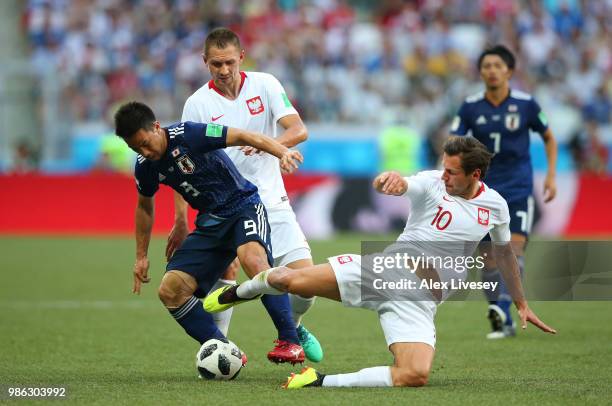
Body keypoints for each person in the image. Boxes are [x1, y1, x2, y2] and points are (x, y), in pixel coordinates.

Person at [204, 136, 556, 388]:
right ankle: (241, 291)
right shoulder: (432, 184)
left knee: (414, 375)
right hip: (386, 272)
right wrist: (392, 181)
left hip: (419, 303)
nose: (444, 176)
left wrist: (521, 302)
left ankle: (317, 381)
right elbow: (406, 184)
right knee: (288, 281)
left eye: (452, 172)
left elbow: (505, 252)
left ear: (475, 175)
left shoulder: (495, 206)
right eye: (443, 168)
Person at [166, 27, 323, 362]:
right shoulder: (197, 104)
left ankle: (293, 327)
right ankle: (222, 351)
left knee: (305, 285)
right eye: (216, 64)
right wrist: (181, 219)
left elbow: (299, 129)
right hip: (229, 205)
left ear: (241, 57)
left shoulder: (265, 84)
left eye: (229, 63)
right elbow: (182, 164)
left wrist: (270, 146)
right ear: (204, 62)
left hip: (272, 201)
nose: (224, 71)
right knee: (233, 270)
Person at [114, 101, 306, 364]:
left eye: (145, 143)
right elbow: (144, 207)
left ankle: (291, 341)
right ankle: (222, 348)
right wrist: (141, 256)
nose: (144, 152)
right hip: (210, 223)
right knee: (170, 291)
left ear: (157, 127)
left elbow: (243, 135)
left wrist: (281, 151)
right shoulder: (145, 166)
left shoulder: (189, 134)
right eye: (135, 148)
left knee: (254, 262)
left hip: (243, 207)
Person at [450, 45, 558, 339]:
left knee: (513, 249)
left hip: (518, 188)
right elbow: (453, 143)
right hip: (482, 191)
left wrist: (550, 176)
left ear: (509, 71)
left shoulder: (526, 104)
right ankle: (502, 317)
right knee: (488, 259)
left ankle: (504, 306)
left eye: (498, 65)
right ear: (480, 71)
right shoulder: (471, 106)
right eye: (486, 66)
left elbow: (549, 138)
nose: (492, 70)